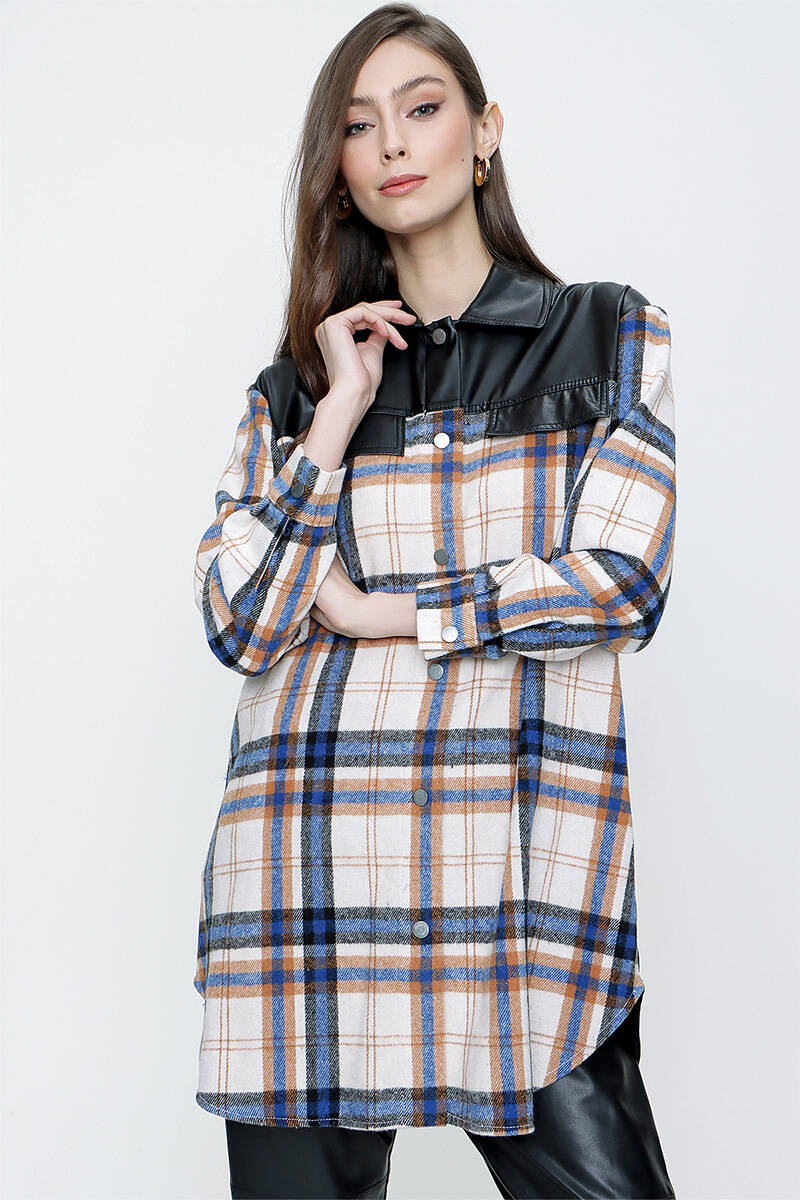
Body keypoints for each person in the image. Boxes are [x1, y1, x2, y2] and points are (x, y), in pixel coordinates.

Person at [191, 5, 678, 1197]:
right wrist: (337, 414)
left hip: (516, 901)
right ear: (339, 169)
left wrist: (389, 614)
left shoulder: (603, 334)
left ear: (483, 130)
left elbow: (620, 584)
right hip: (307, 889)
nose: (394, 143)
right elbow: (241, 621)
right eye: (359, 126)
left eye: (421, 108)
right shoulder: (294, 391)